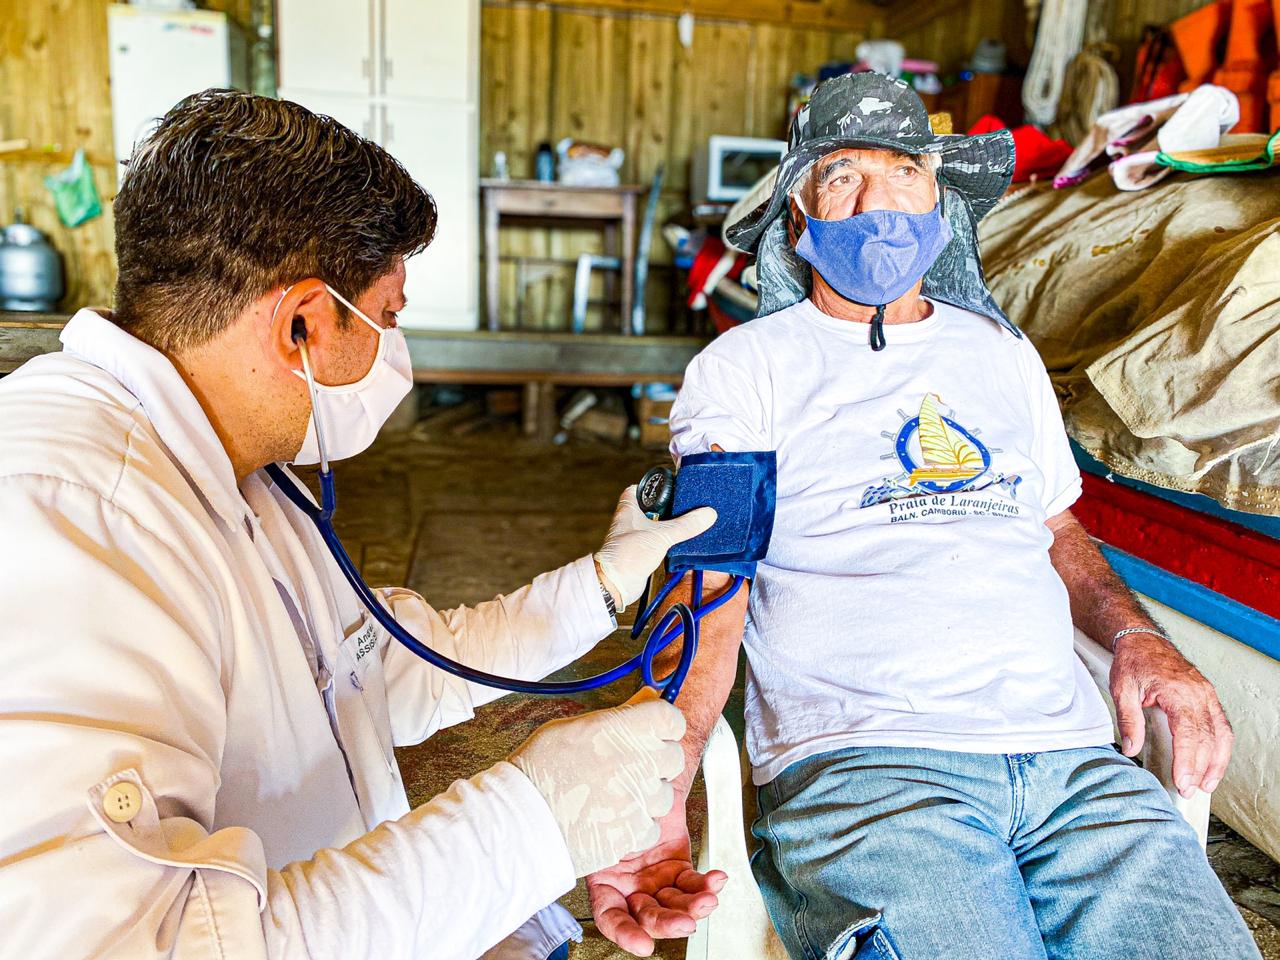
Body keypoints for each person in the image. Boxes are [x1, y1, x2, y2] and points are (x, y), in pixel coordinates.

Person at [0, 90, 718, 960]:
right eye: (387, 316)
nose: (394, 348)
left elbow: (373, 674)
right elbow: (131, 943)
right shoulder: (70, 514)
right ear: (302, 323)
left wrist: (598, 586)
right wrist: (533, 823)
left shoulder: (239, 467)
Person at [586, 73, 1262, 960]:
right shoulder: (746, 366)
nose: (878, 206)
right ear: (799, 220)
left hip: (1076, 768)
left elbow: (1055, 527)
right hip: (872, 772)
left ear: (940, 199)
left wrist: (1140, 637)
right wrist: (664, 765)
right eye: (841, 179)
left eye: (904, 174)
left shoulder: (1001, 352)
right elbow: (714, 571)